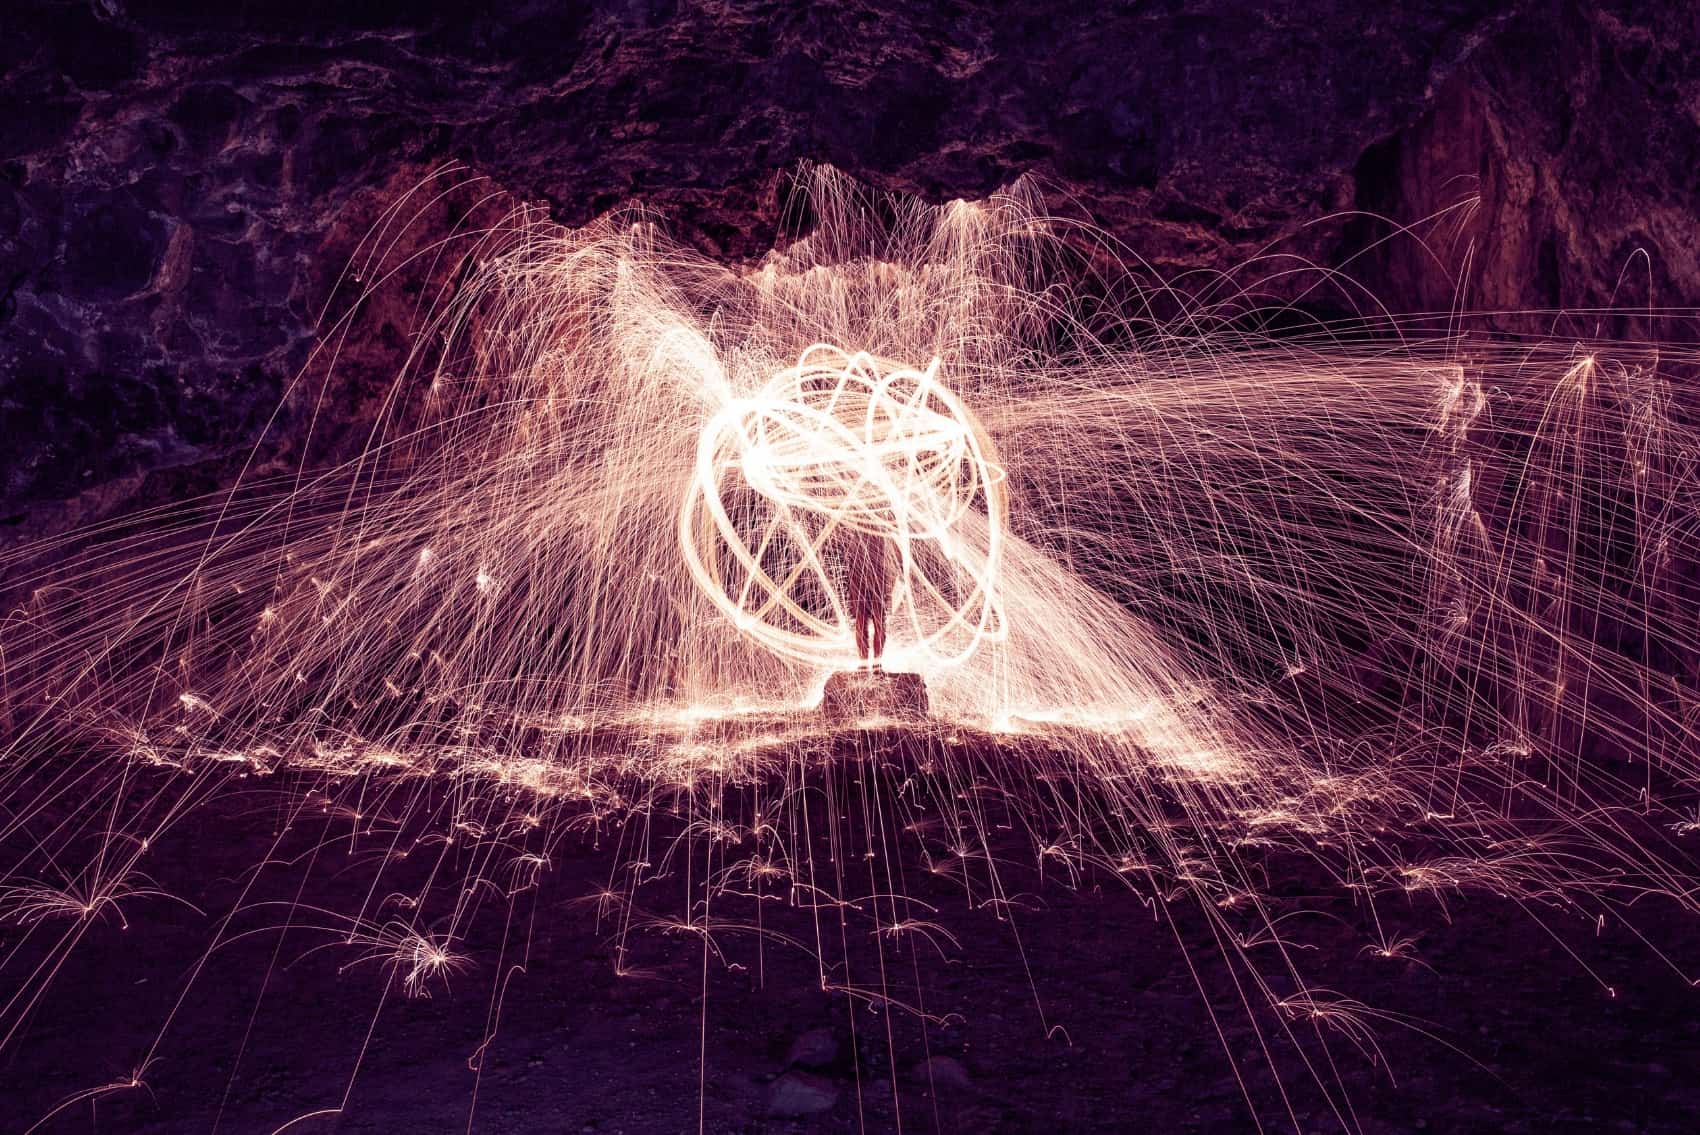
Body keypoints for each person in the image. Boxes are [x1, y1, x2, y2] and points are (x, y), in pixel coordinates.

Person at [836, 525, 895, 670]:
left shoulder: (857, 516)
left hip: (866, 569)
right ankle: (873, 664)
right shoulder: (877, 516)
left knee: (869, 618)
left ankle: (869, 664)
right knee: (872, 618)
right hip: (867, 570)